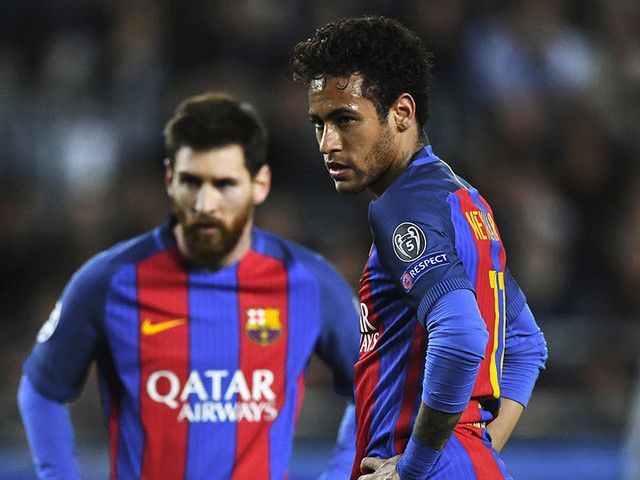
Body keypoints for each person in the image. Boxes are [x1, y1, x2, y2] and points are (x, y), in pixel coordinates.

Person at [18, 92, 360, 480]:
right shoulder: (109, 281)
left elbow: (374, 386)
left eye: (224, 184)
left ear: (260, 184)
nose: (205, 203)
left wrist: (340, 475)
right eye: (191, 182)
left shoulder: (310, 283)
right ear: (170, 179)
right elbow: (41, 391)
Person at [291, 15, 548, 480]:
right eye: (319, 124)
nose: (328, 143)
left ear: (402, 113)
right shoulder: (463, 202)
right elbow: (526, 344)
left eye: (345, 120)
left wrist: (414, 467)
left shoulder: (402, 204)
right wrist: (478, 451)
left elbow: (461, 337)